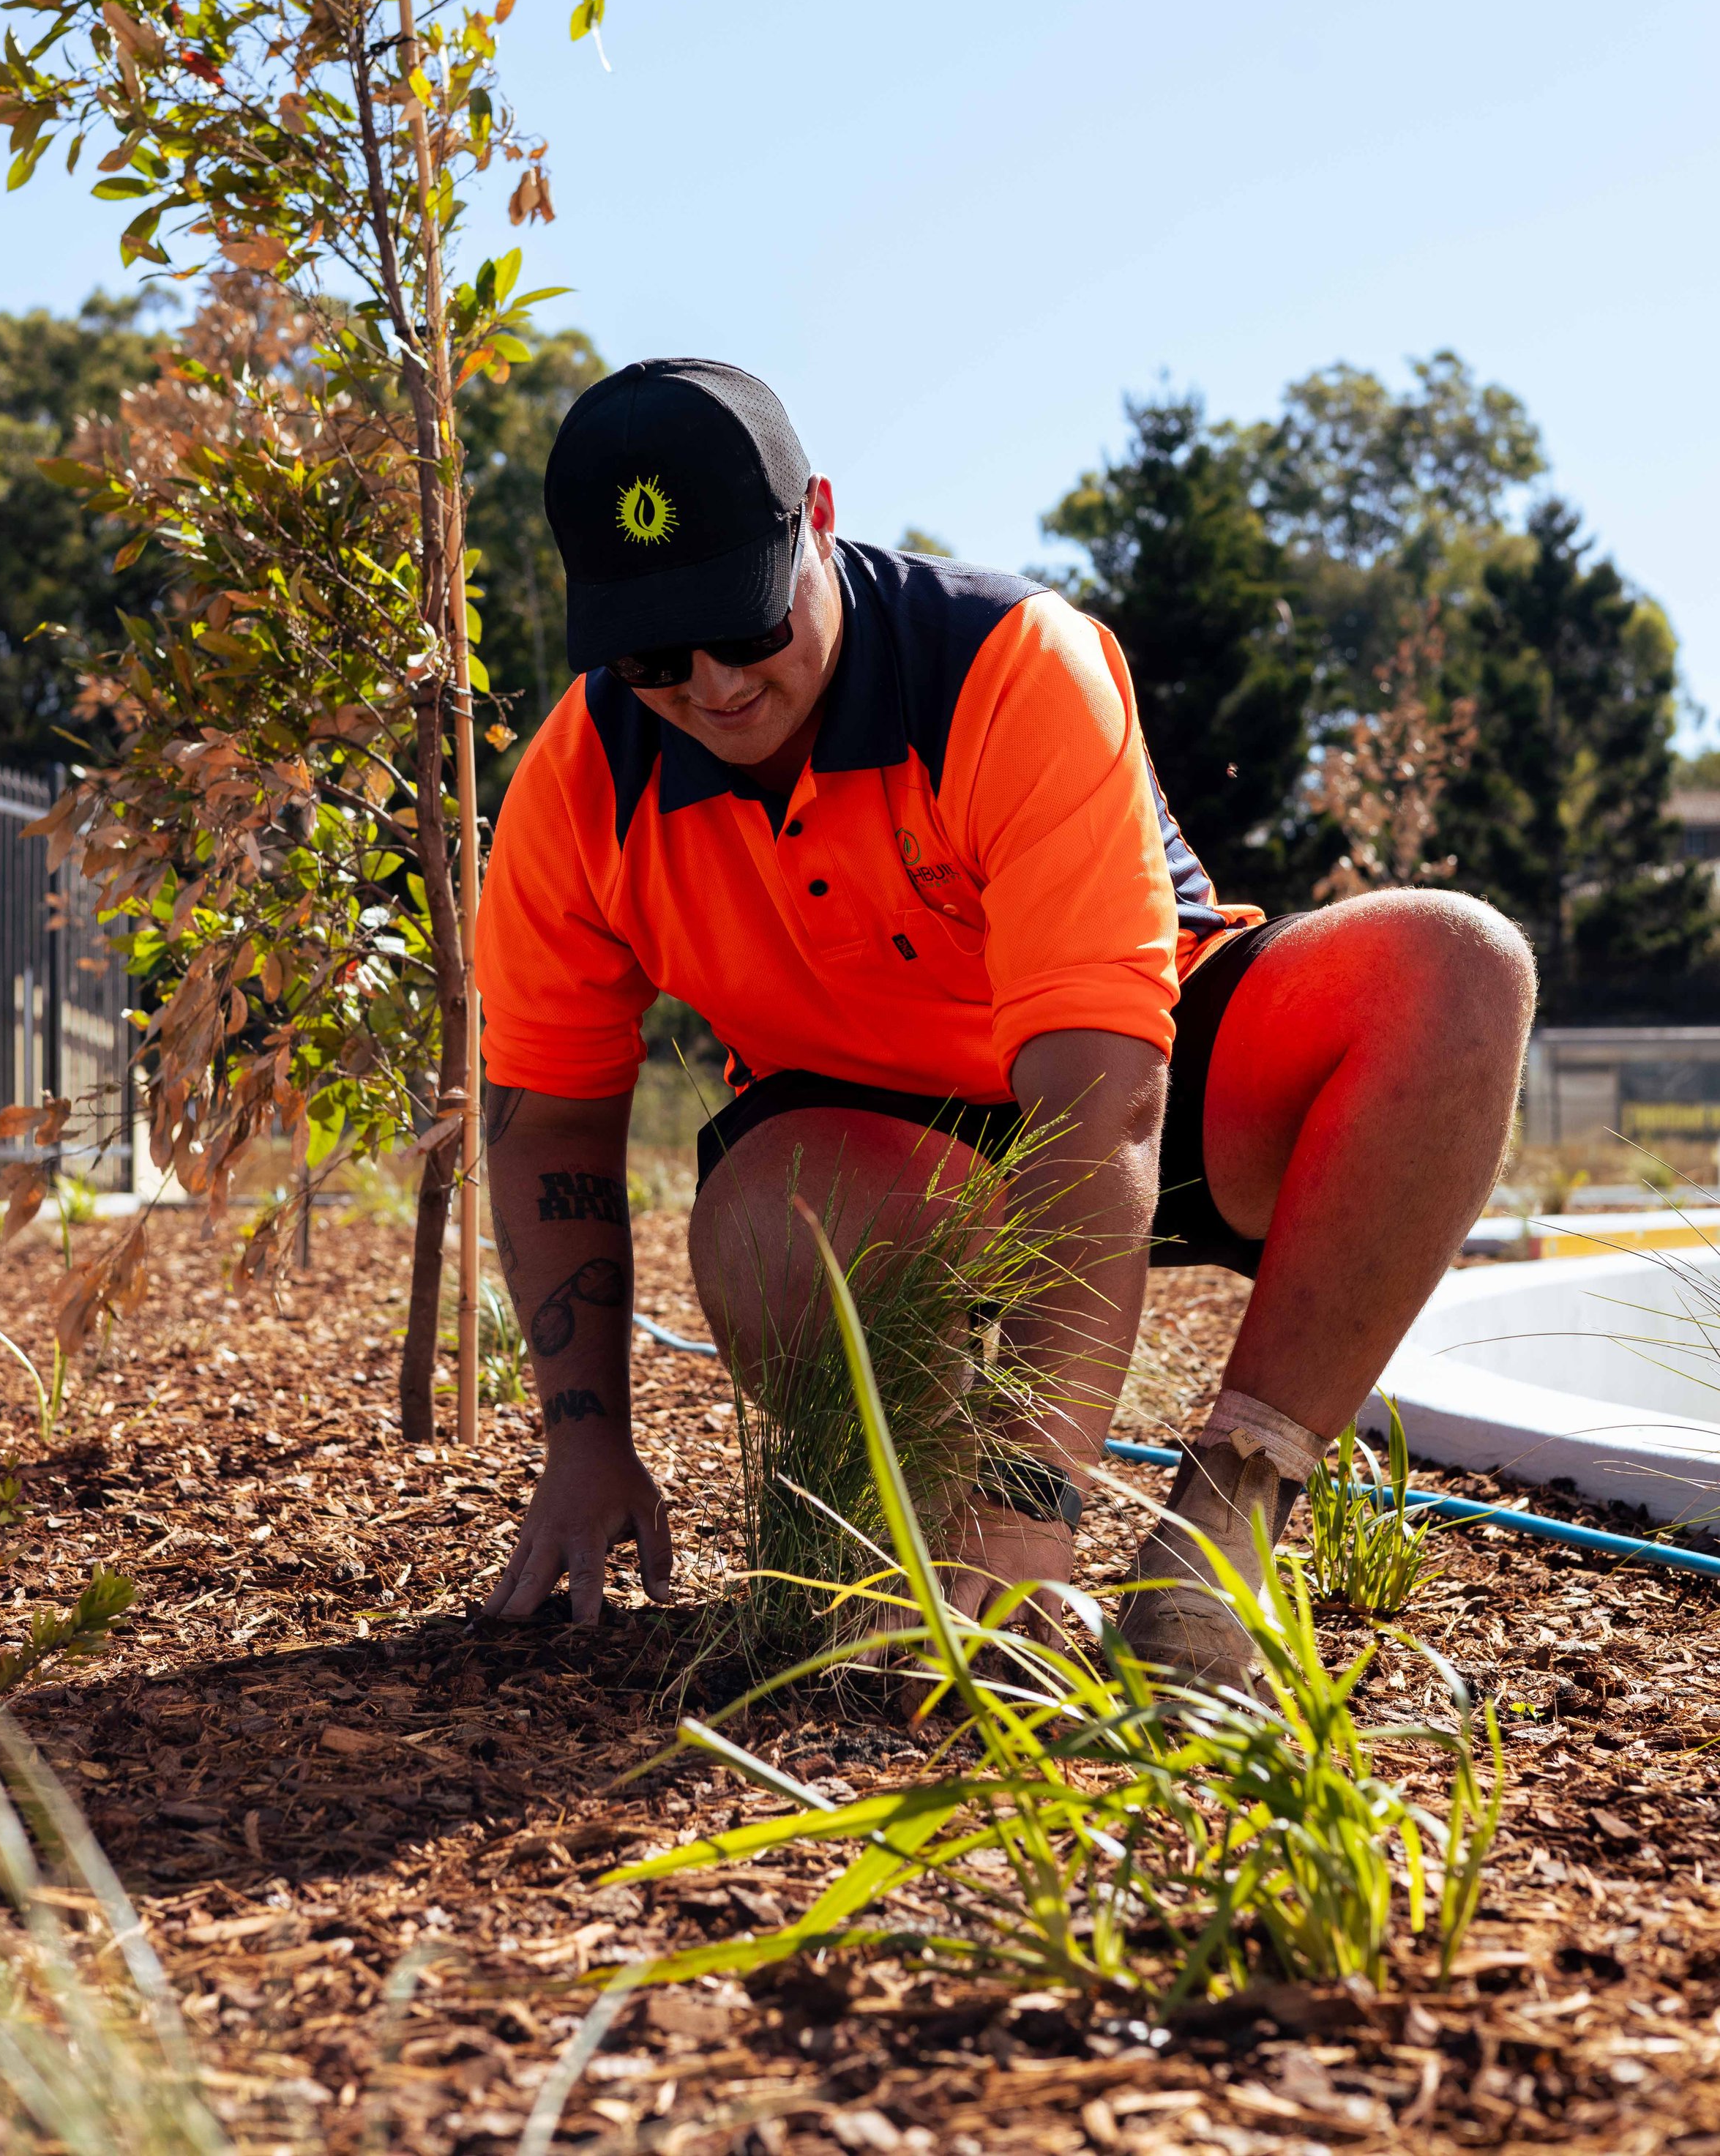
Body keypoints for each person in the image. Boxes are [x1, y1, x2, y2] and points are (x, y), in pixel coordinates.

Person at [473, 359, 1535, 1686]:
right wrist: (586, 1447)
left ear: (819, 521)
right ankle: (916, 1533)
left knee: (1452, 971)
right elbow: (548, 1119)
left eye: (747, 626)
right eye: (655, 654)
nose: (715, 687)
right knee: (768, 1226)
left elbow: (1102, 1110)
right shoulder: (582, 783)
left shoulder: (1011, 666)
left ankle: (1225, 1521)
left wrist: (1039, 1486)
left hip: (1143, 1076)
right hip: (876, 1139)